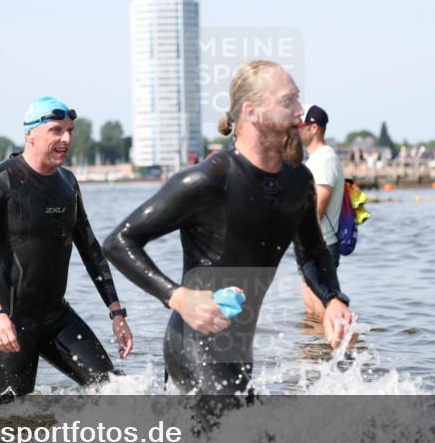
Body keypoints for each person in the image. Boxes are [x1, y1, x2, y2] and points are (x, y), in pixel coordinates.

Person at [103, 60, 353, 396]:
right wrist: (177, 297)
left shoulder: (299, 182)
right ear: (251, 111)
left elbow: (312, 252)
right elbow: (119, 241)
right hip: (193, 344)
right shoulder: (208, 179)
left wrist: (333, 298)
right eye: (287, 101)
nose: (299, 112)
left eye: (297, 100)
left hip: (238, 351)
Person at [0, 96, 134, 403]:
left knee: (114, 392)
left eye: (70, 131)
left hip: (57, 316)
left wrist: (116, 312)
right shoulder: (1, 179)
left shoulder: (68, 182)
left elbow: (91, 249)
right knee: (12, 414)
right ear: (31, 134)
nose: (66, 139)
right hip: (11, 319)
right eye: (56, 130)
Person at [297, 104, 345, 318]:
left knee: (322, 311)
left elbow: (319, 208)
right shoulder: (315, 159)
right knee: (312, 312)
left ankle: (336, 349)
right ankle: (316, 352)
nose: (294, 130)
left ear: (313, 128)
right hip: (310, 246)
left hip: (321, 247)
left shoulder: (325, 159)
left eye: (299, 125)